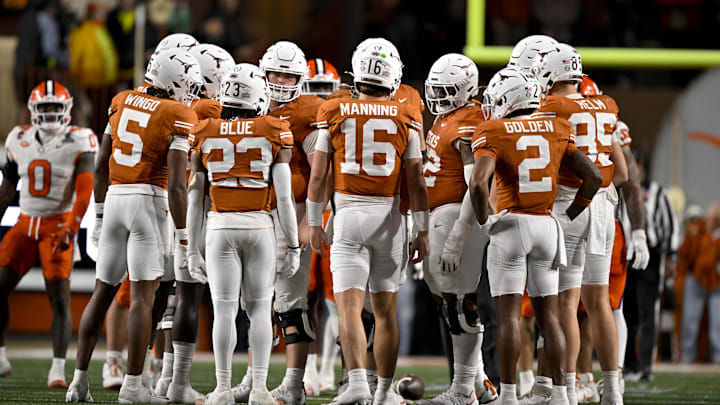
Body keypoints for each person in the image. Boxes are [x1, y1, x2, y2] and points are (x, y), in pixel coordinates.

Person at [65, 48, 201, 403]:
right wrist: (185, 236)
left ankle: (78, 381)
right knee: (143, 297)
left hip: (114, 200)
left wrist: (96, 217)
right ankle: (133, 386)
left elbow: (99, 167)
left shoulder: (121, 100)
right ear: (172, 81)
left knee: (103, 291)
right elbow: (174, 184)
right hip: (148, 202)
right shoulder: (177, 112)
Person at [469, 67, 602, 405]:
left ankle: (510, 395)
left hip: (512, 226)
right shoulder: (557, 127)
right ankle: (560, 394)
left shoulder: (493, 129)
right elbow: (594, 177)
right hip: (547, 226)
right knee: (552, 317)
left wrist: (485, 221)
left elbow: (477, 182)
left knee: (509, 317)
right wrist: (570, 213)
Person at [307, 38, 429, 405]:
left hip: (347, 214)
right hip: (388, 217)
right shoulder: (405, 115)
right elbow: (417, 181)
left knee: (348, 309)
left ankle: (357, 382)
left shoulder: (334, 109)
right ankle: (383, 392)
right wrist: (421, 229)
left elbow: (317, 177)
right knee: (385, 312)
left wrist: (315, 222)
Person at [187, 62, 299, 405]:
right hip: (259, 225)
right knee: (260, 309)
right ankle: (260, 389)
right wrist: (293, 245)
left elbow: (195, 198)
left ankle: (222, 389)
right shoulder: (272, 128)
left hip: (220, 226)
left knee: (223, 311)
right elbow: (284, 197)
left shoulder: (205, 129)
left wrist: (191, 249)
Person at [530, 43, 629, 405]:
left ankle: (567, 390)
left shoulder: (553, 105)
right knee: (599, 301)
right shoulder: (607, 104)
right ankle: (613, 390)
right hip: (604, 206)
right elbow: (622, 173)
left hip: (569, 202)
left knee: (567, 302)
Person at [0, 81, 96, 388]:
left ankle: (58, 368)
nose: (51, 113)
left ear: (67, 110)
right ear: (33, 111)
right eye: (45, 107)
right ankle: (0, 355)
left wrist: (71, 227)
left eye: (56, 107)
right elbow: (7, 188)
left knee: (59, 298)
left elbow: (84, 192)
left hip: (56, 225)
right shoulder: (18, 137)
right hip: (25, 223)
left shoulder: (79, 140)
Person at [415, 53, 497, 405]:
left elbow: (472, 183)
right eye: (437, 90)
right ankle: (478, 383)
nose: (439, 97)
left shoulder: (469, 121)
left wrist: (458, 235)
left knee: (459, 302)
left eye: (448, 90)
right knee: (445, 297)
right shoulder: (448, 116)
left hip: (453, 216)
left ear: (465, 89)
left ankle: (462, 390)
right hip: (439, 214)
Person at [155, 42, 233, 404]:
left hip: (169, 209)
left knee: (169, 295)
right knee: (190, 297)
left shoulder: (175, 110)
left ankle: (163, 377)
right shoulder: (213, 109)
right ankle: (177, 382)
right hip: (198, 210)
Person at [302, 57, 342, 394]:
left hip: (335, 215)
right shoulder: (294, 117)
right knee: (303, 296)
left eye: (324, 90)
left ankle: (327, 367)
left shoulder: (343, 116)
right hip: (305, 215)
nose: (319, 98)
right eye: (313, 89)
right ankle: (308, 368)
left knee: (333, 299)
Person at [624, 151, 679, 380]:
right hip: (626, 256)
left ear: (642, 167)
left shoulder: (658, 192)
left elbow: (671, 226)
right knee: (627, 313)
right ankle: (629, 366)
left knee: (649, 313)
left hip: (652, 255)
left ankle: (646, 366)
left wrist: (672, 255)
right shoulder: (620, 190)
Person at [680, 203, 720, 364]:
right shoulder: (699, 230)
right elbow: (686, 254)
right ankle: (688, 354)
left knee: (717, 322)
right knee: (690, 320)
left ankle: (717, 355)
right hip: (696, 279)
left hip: (716, 281)